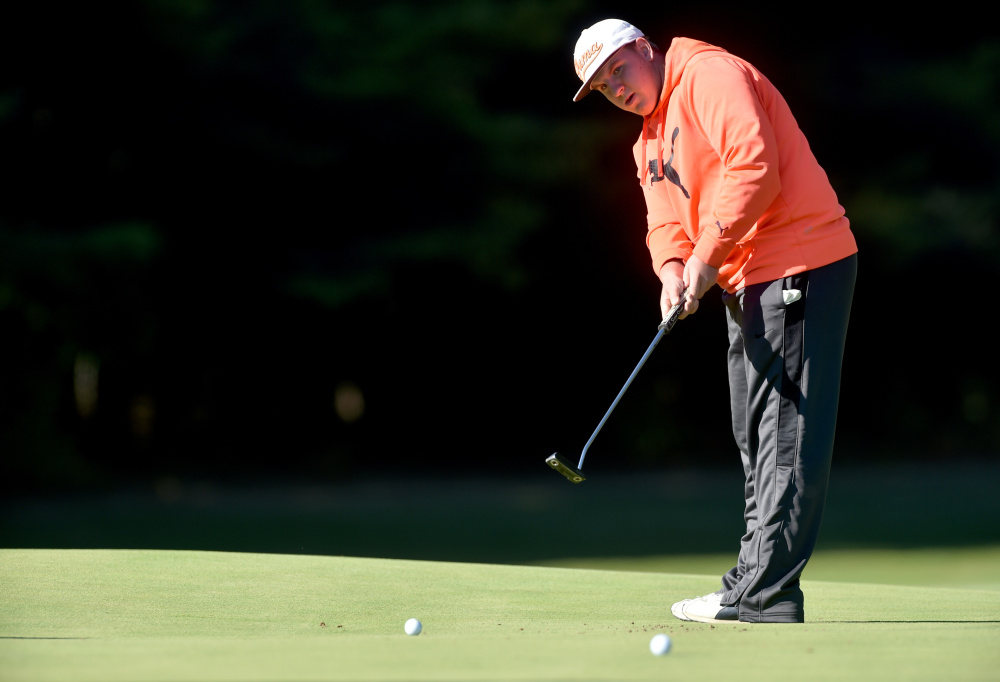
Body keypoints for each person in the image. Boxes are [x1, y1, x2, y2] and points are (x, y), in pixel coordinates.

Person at [571, 19, 858, 623]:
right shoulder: (646, 139)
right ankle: (752, 580)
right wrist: (673, 268)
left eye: (618, 69)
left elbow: (755, 164)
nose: (615, 88)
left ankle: (766, 595)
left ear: (645, 49)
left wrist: (706, 258)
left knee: (783, 436)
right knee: (753, 433)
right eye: (602, 85)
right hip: (747, 277)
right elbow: (662, 220)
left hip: (798, 261)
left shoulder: (707, 75)